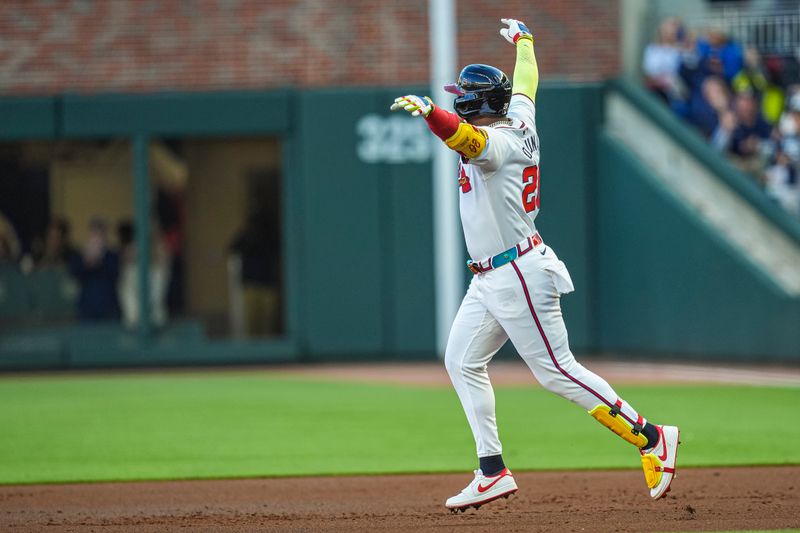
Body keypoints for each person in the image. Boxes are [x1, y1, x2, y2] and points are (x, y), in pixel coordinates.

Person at [391, 18, 680, 512]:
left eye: (461, 94)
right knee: (461, 361)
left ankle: (652, 436)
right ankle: (492, 470)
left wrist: (432, 114)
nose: (456, 97)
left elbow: (466, 141)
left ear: (473, 105)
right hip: (491, 276)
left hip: (518, 273)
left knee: (556, 372)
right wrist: (524, 41)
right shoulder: (518, 118)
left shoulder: (495, 144)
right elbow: (525, 80)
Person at [69, 217, 120, 321]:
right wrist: (87, 261)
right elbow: (74, 273)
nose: (97, 238)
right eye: (94, 233)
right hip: (87, 310)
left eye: (100, 234)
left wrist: (100, 260)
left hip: (108, 309)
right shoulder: (80, 255)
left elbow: (115, 274)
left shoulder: (112, 256)